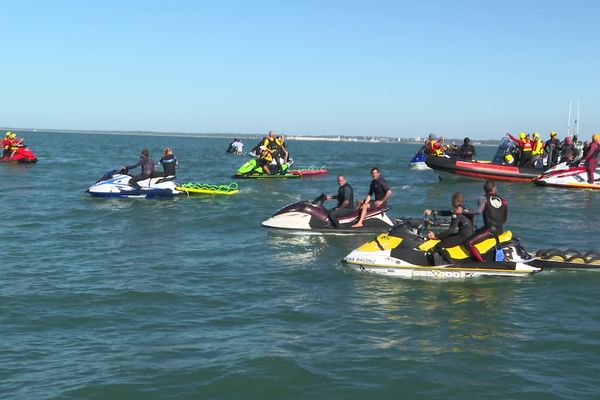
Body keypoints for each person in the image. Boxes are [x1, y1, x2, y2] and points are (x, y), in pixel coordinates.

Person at [424, 192, 474, 264]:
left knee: (439, 246)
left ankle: (451, 264)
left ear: (454, 201)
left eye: (452, 200)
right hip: (469, 234)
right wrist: (432, 212)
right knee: (443, 237)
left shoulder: (457, 212)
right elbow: (449, 212)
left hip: (463, 237)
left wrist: (435, 236)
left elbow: (451, 230)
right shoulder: (465, 208)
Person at [465, 181, 508, 262]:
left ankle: (481, 261)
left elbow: (478, 211)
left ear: (485, 190)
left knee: (468, 243)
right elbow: (505, 219)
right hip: (500, 229)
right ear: (494, 188)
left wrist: (464, 212)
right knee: (475, 232)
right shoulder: (504, 200)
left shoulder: (483, 198)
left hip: (490, 231)